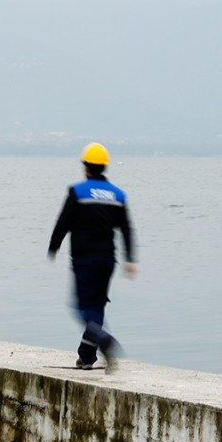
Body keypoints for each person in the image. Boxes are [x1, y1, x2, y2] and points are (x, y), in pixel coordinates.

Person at [47, 142, 136, 373]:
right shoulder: (117, 195)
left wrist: (53, 247)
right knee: (96, 306)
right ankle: (86, 357)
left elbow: (63, 222)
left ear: (86, 167)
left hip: (84, 259)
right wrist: (130, 259)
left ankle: (104, 339)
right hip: (107, 261)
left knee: (81, 308)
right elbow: (127, 229)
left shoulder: (78, 192)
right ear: (104, 167)